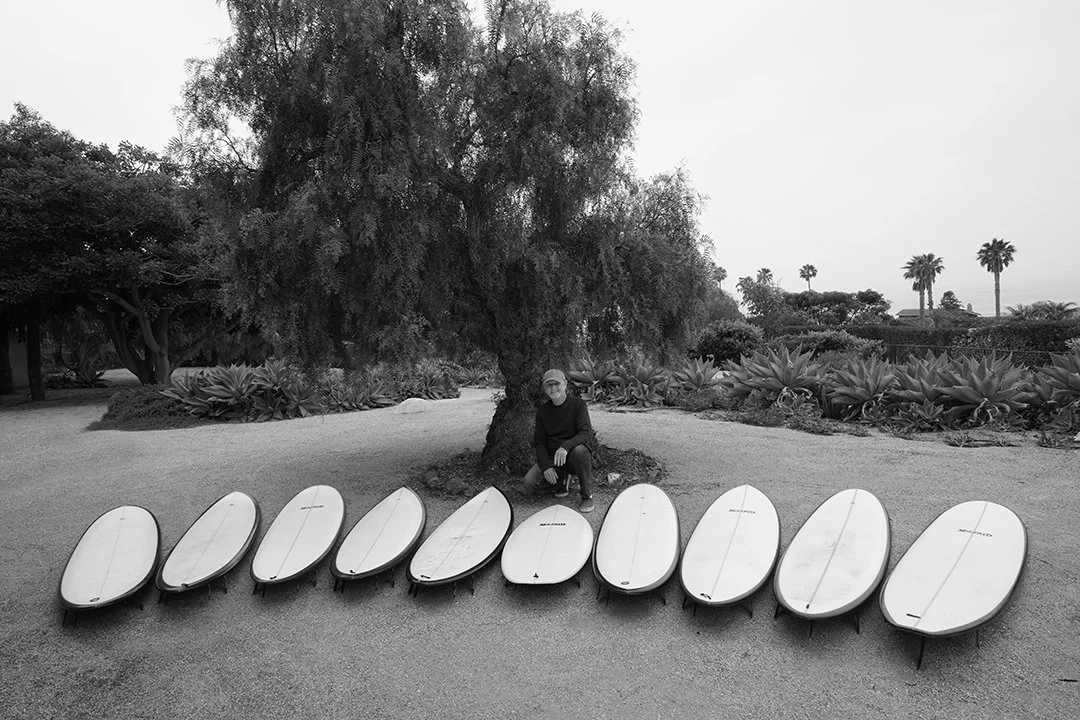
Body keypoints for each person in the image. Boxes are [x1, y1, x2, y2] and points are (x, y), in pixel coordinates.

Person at [522, 368, 595, 513]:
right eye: (549, 385)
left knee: (580, 451)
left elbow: (586, 433)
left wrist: (565, 447)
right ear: (545, 389)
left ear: (565, 385)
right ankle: (561, 482)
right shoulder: (543, 411)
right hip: (553, 458)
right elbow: (540, 443)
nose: (553, 388)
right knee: (529, 484)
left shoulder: (578, 405)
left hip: (574, 457)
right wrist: (546, 466)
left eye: (557, 384)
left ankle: (587, 495)